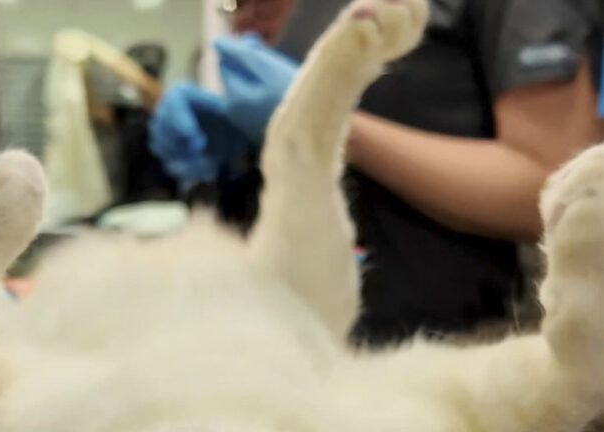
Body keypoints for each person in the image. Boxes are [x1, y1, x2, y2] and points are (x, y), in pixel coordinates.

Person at [150, 0, 603, 344]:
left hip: (439, 353)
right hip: (290, 343)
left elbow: (559, 188)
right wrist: (231, 155)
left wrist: (323, 118)